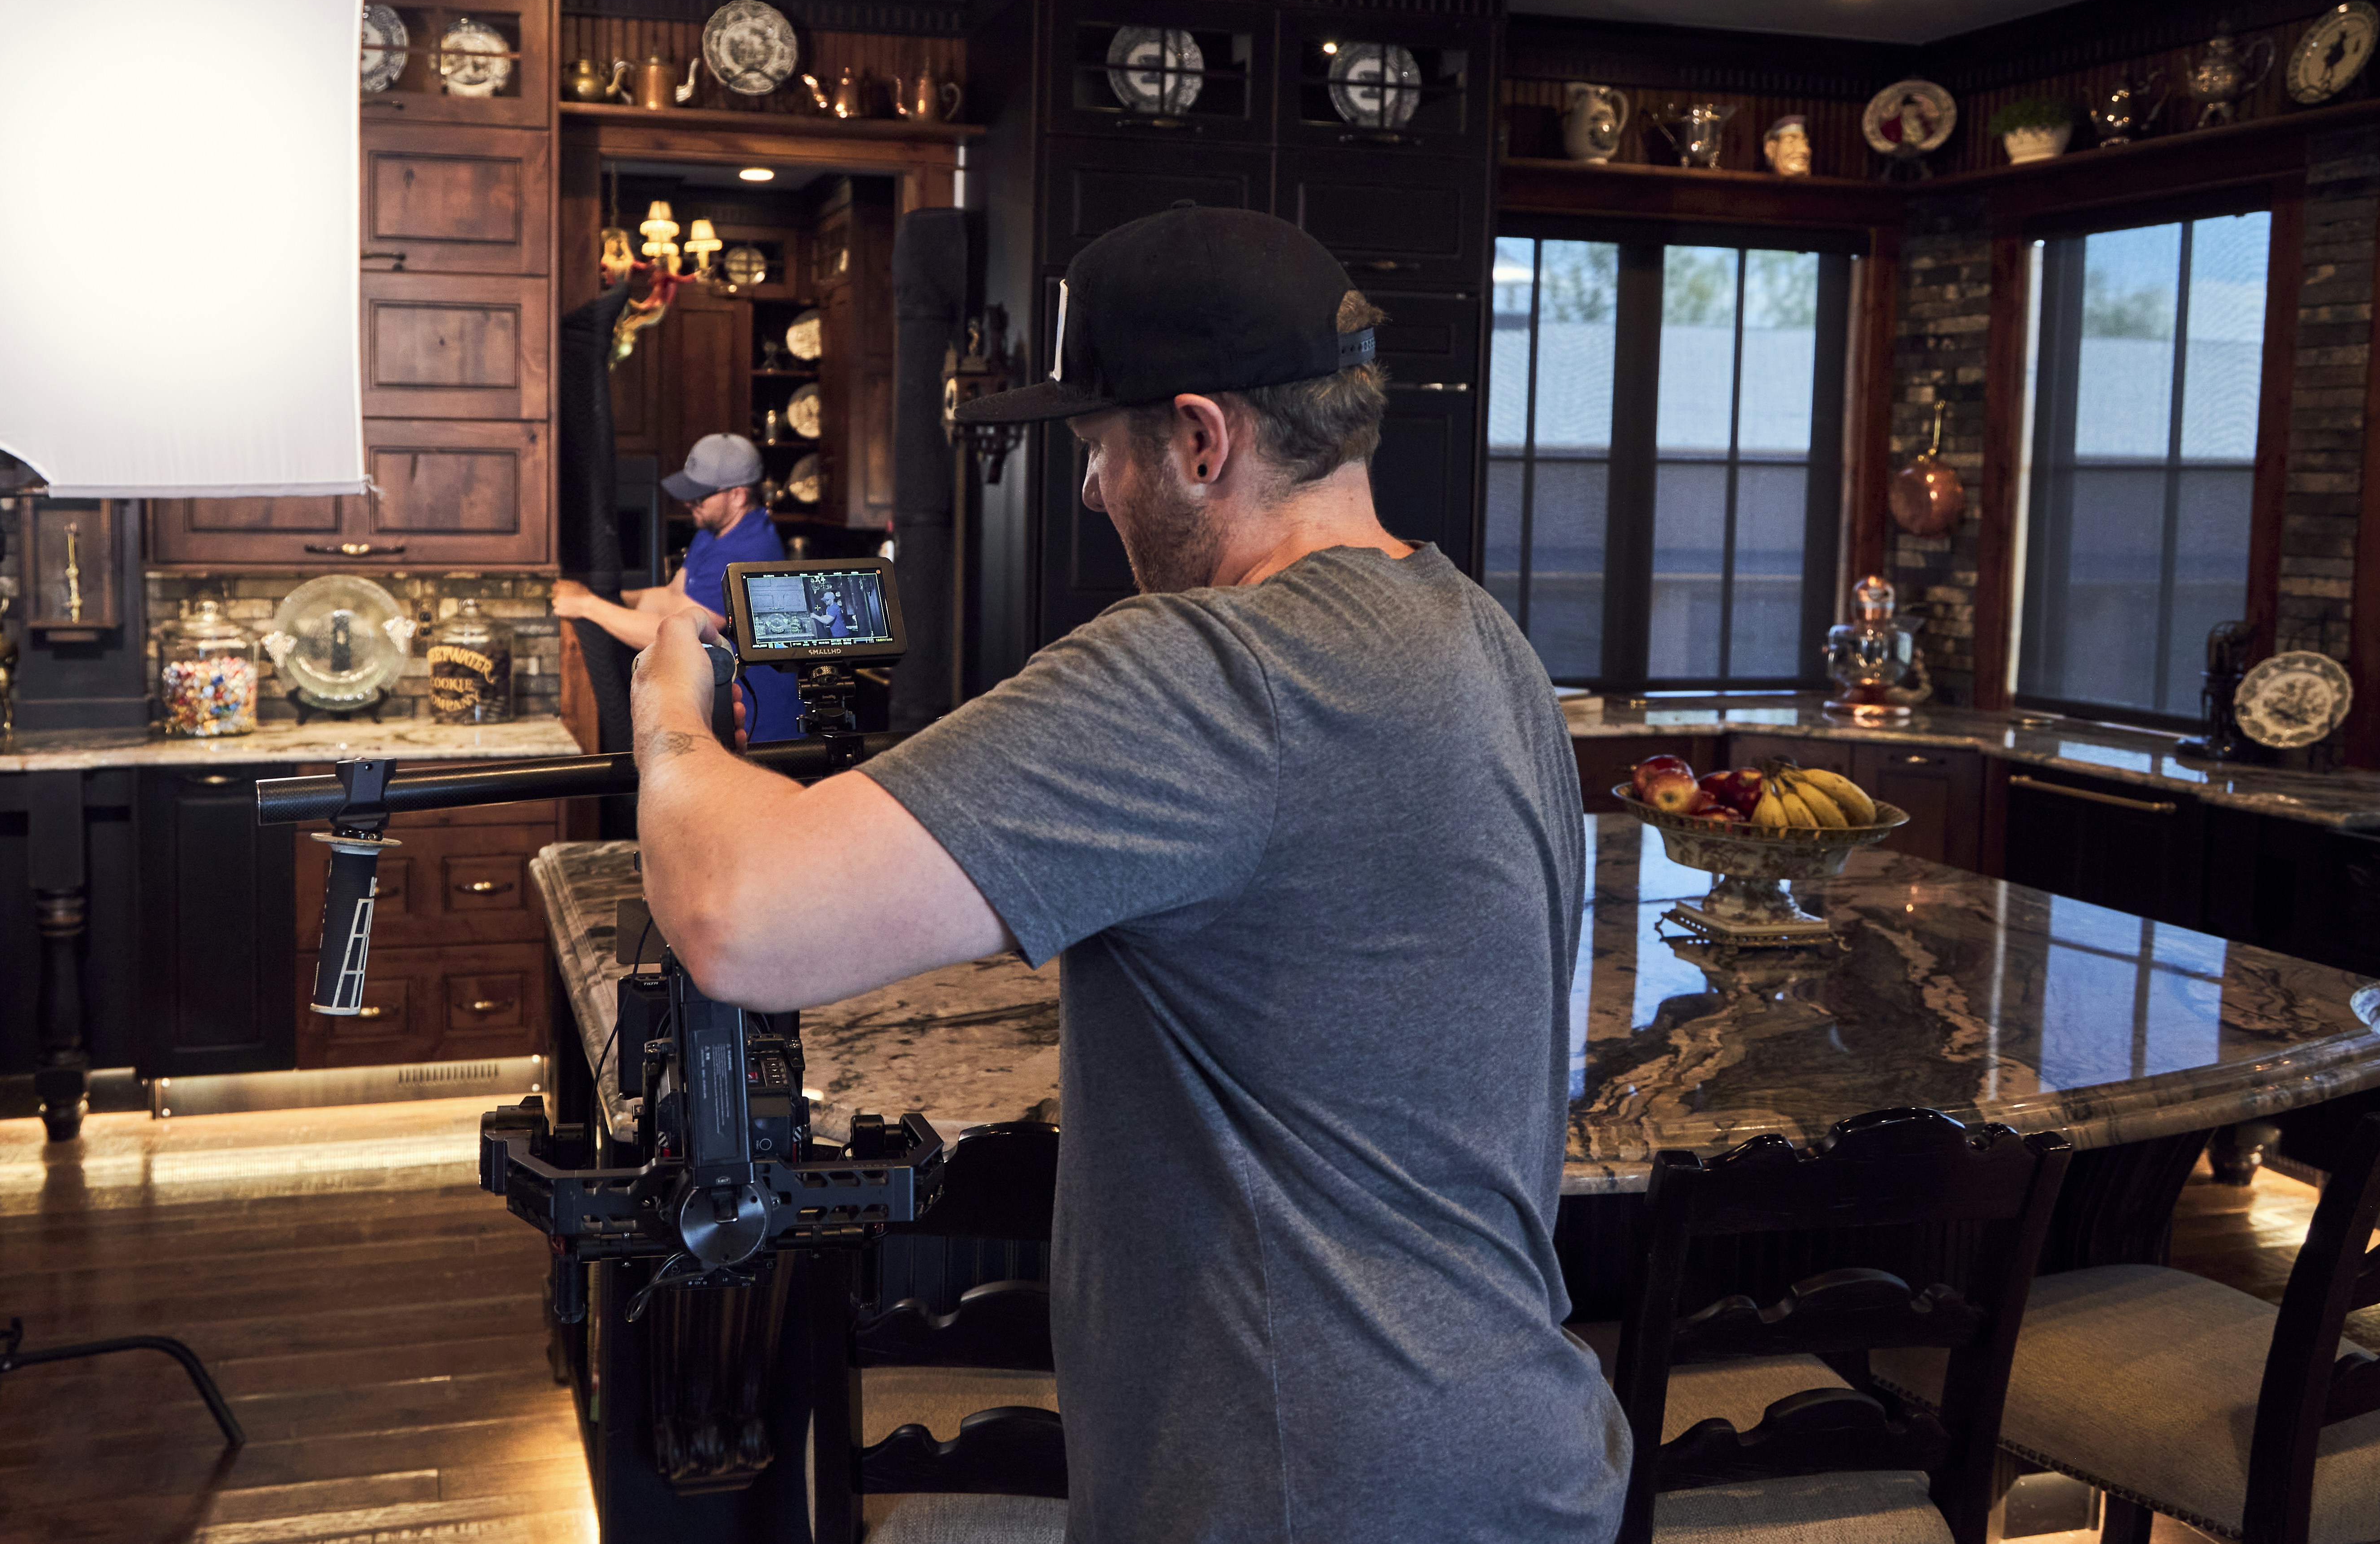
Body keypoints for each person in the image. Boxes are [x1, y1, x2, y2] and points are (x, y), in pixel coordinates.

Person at [622, 204, 1629, 1543]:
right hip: (1507, 1453)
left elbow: (738, 915)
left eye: (1099, 448)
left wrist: (667, 700)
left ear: (1204, 439)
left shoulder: (1215, 670)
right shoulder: (1477, 635)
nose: (1093, 490)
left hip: (1312, 1494)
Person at [553, 431, 800, 741]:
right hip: (723, 711)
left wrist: (589, 605)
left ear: (737, 496)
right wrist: (607, 595)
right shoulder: (714, 530)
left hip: (759, 727)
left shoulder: (749, 550)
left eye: (700, 495)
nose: (688, 503)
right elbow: (673, 599)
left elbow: (679, 637)